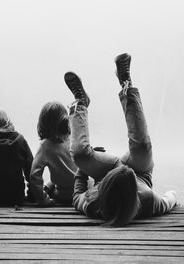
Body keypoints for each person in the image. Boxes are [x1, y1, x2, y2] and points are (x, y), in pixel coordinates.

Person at [65, 53, 177, 226]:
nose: (124, 167)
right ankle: (127, 85)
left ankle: (80, 103)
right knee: (142, 147)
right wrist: (173, 194)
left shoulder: (92, 204)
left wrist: (83, 169)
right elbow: (168, 200)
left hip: (105, 170)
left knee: (79, 155)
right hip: (140, 172)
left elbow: (76, 197)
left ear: (102, 189)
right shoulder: (147, 200)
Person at [29, 101, 78, 206]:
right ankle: (48, 186)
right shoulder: (73, 137)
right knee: (60, 176)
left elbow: (34, 177)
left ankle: (47, 188)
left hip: (65, 195)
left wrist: (43, 199)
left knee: (54, 182)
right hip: (83, 188)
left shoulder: (45, 146)